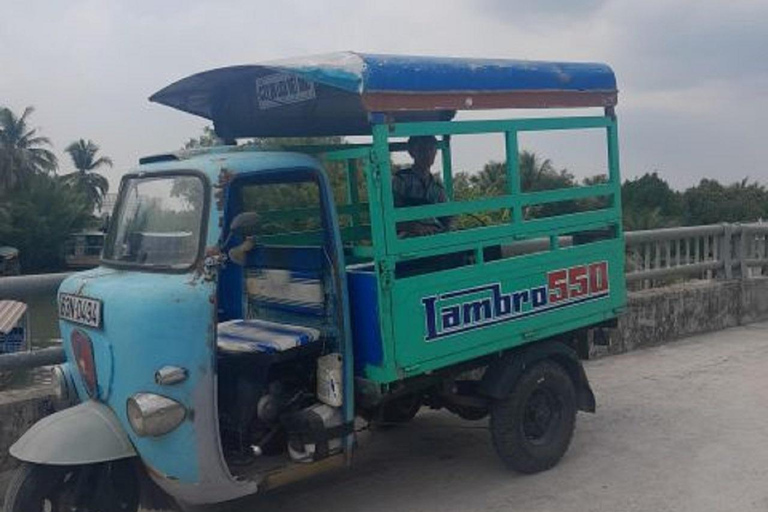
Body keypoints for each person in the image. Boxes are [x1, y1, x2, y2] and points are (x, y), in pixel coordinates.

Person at [392, 135, 453, 237]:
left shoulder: (437, 186)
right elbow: (390, 217)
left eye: (431, 149)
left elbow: (447, 217)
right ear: (412, 152)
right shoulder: (401, 181)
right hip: (408, 239)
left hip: (435, 236)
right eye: (422, 149)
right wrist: (415, 227)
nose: (427, 154)